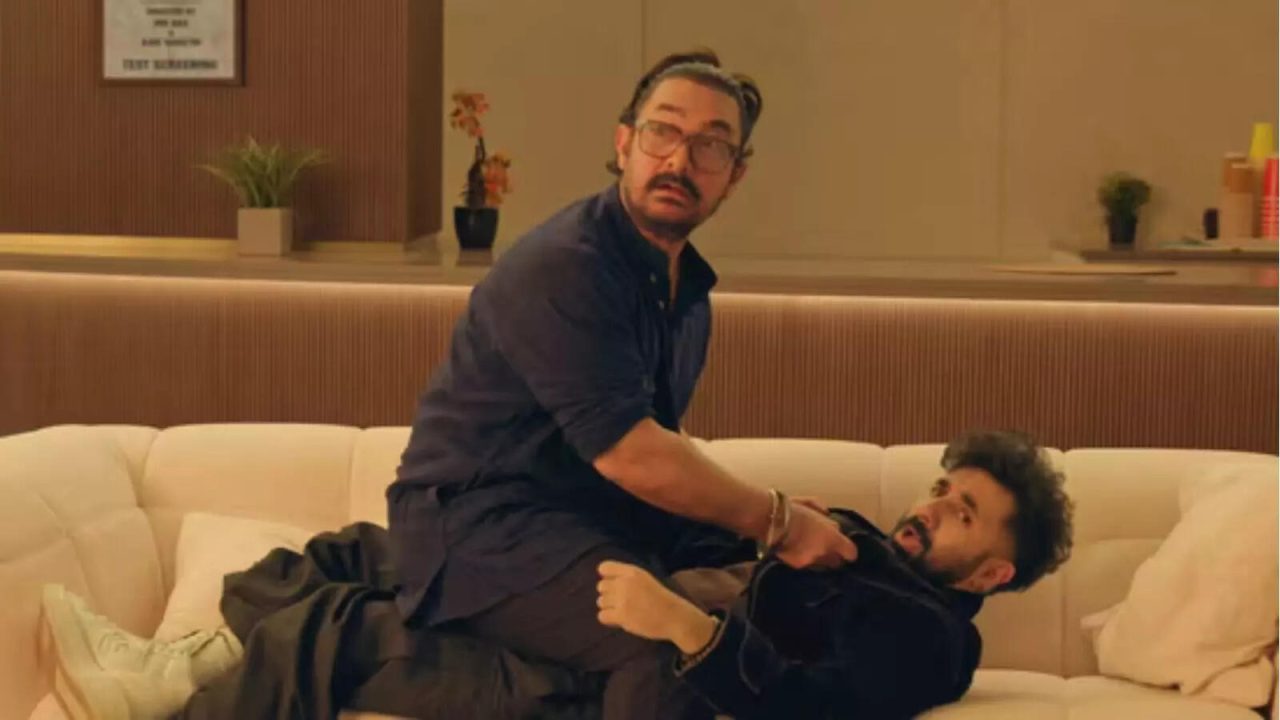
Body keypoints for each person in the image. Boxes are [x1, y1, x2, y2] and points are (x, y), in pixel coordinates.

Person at [386, 48, 855, 720]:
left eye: (711, 146)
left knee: (790, 593)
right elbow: (631, 456)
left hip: (584, 517)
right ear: (625, 141)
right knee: (666, 641)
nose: (679, 161)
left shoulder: (688, 292)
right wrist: (773, 519)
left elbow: (658, 444)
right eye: (663, 131)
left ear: (735, 175)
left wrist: (757, 521)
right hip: (474, 528)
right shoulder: (565, 267)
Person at [38, 429, 1074, 719]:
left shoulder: (933, 641)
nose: (929, 508)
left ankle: (167, 697)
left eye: (961, 514)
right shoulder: (847, 536)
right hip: (599, 583)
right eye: (942, 488)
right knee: (371, 549)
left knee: (355, 631)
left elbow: (809, 707)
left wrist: (684, 629)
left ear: (991, 571)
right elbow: (699, 540)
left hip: (620, 668)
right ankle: (188, 658)